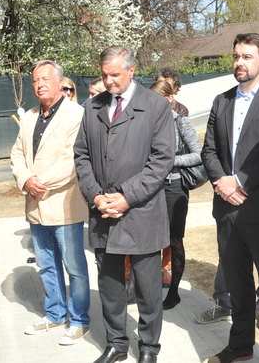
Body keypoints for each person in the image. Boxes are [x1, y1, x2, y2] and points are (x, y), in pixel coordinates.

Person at [74, 46, 174, 363]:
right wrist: (96, 196)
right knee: (110, 286)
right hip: (103, 212)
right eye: (104, 75)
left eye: (115, 74)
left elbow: (161, 161)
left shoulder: (156, 106)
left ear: (132, 70)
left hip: (142, 212)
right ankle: (116, 343)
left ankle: (149, 347)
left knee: (148, 288)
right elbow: (81, 155)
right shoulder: (93, 106)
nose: (109, 81)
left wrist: (126, 196)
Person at [202, 33, 259, 363]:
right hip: (226, 209)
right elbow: (209, 150)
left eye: (247, 56)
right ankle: (240, 345)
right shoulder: (221, 101)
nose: (239, 62)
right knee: (237, 283)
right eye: (236, 56)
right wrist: (223, 182)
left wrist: (238, 181)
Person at [10, 60, 91, 346]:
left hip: (64, 203)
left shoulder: (77, 114)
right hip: (36, 204)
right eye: (35, 80)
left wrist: (38, 183)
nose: (39, 84)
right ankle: (55, 314)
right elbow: (17, 153)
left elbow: (74, 161)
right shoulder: (29, 117)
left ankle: (79, 320)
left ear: (60, 82)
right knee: (46, 264)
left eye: (45, 79)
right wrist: (25, 179)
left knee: (74, 266)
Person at [149, 80, 202, 310]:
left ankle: (173, 292)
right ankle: (147, 289)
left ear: (170, 98)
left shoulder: (181, 121)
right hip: (150, 188)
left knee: (173, 240)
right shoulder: (146, 123)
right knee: (150, 240)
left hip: (174, 187)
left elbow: (199, 154)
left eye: (158, 99)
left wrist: (170, 161)